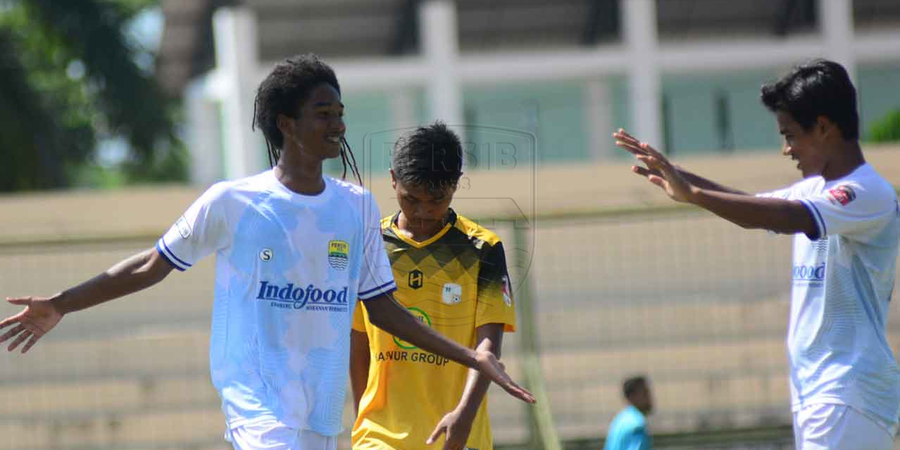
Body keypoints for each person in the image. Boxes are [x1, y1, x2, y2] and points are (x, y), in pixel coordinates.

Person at [0, 54, 533, 450]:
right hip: (256, 405)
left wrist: (471, 355)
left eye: (340, 112)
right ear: (286, 122)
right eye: (323, 112)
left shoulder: (355, 207)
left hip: (320, 413)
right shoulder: (233, 202)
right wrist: (63, 303)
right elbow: (150, 264)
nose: (338, 124)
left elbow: (384, 309)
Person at [613, 59, 900, 450]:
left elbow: (783, 217)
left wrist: (694, 195)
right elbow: (753, 205)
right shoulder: (814, 191)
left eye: (790, 135)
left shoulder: (867, 192)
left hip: (848, 392)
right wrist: (677, 175)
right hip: (819, 394)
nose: (786, 149)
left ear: (824, 126)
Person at [349, 122, 516, 450]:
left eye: (436, 199)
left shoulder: (482, 249)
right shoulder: (369, 245)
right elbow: (358, 345)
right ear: (393, 178)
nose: (423, 211)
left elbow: (488, 350)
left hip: (458, 435)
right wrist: (362, 422)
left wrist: (464, 417)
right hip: (380, 437)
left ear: (455, 184)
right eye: (411, 199)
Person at [603, 376, 653, 450]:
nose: (650, 398)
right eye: (645, 393)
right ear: (632, 396)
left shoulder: (620, 419)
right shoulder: (636, 424)